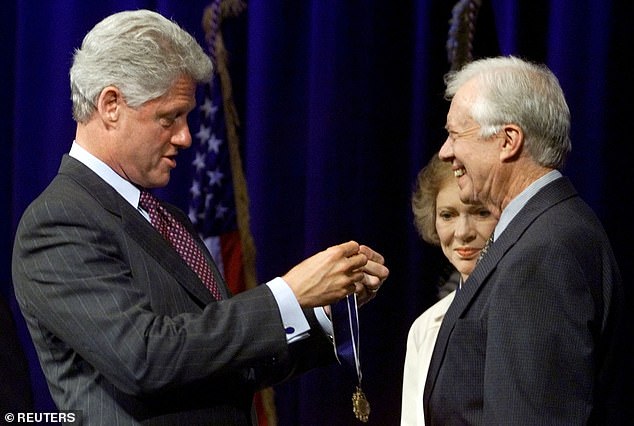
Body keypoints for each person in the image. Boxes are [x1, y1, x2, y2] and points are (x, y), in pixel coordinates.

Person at [11, 10, 389, 425]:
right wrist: (288, 294)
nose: (185, 137)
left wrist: (321, 309)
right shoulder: (58, 221)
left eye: (187, 117)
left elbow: (222, 358)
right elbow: (146, 359)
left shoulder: (169, 219)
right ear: (111, 105)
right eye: (169, 117)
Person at [423, 55, 628, 424]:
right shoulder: (545, 230)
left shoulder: (544, 251)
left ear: (508, 140)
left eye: (455, 134)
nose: (445, 151)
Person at [401, 155, 497, 425]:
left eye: (481, 212)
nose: (463, 232)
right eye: (447, 215)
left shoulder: (524, 310)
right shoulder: (424, 328)